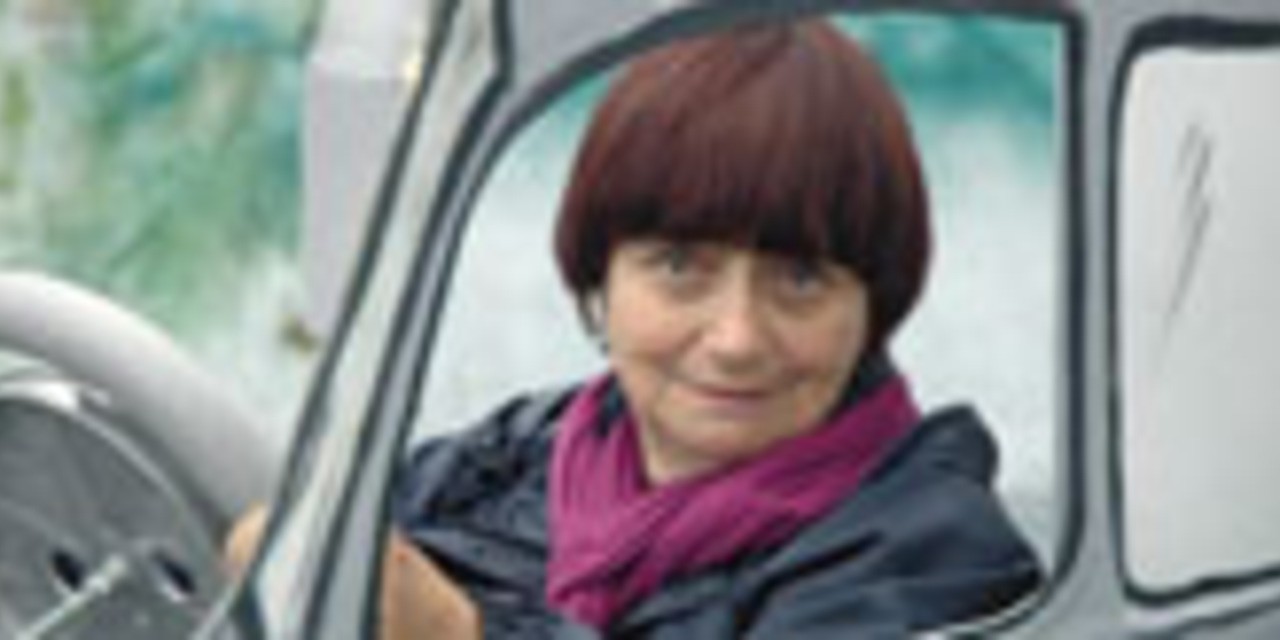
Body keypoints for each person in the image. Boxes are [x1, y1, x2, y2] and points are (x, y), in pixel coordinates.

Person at [228, 18, 1041, 639]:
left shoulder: (934, 557)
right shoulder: (530, 447)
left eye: (800, 279)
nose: (736, 338)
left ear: (874, 307)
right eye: (680, 266)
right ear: (598, 281)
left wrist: (468, 633)